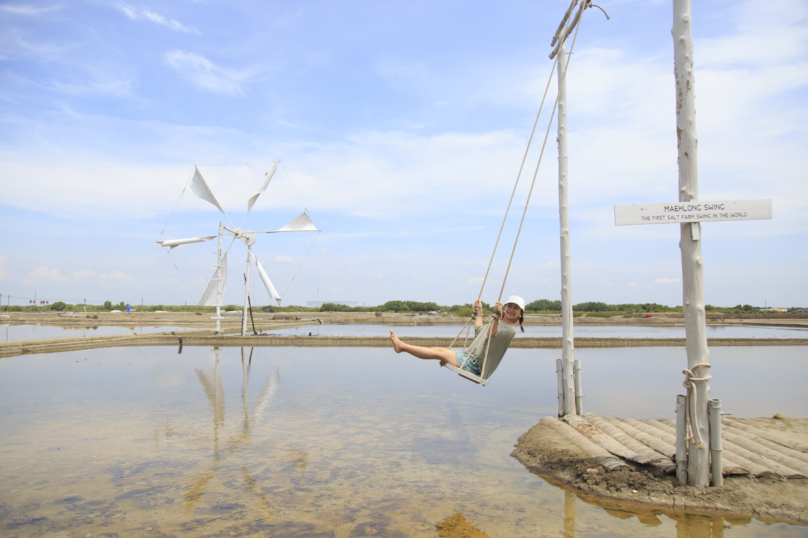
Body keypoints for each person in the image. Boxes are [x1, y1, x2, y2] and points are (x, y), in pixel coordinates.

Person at [390, 295, 525, 378]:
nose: (511, 310)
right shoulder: (498, 323)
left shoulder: (510, 330)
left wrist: (496, 317)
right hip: (469, 358)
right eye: (509, 306)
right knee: (438, 350)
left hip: (475, 365)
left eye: (516, 308)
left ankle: (401, 346)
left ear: (520, 313)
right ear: (505, 307)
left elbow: (491, 334)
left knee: (439, 351)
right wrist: (480, 312)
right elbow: (480, 330)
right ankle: (401, 347)